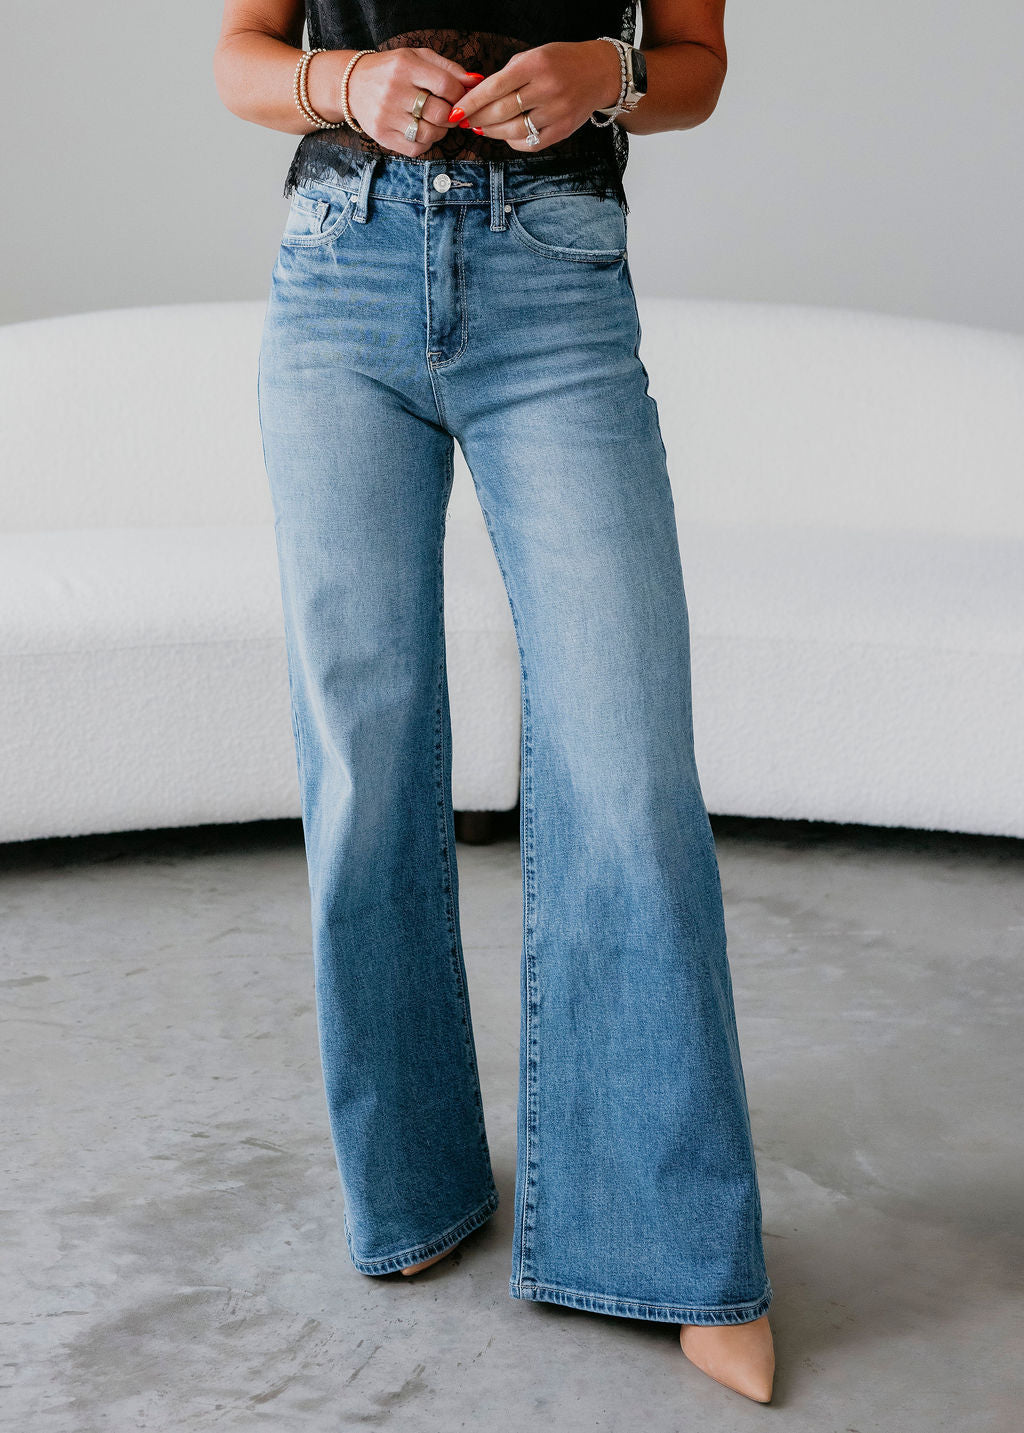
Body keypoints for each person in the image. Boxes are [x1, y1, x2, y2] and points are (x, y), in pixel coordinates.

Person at [214, 0, 776, 1404]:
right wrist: (350, 81)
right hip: (340, 272)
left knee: (628, 767)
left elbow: (695, 69)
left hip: (556, 278)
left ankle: (672, 1246)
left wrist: (608, 74)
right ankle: (410, 1186)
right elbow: (241, 59)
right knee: (364, 758)